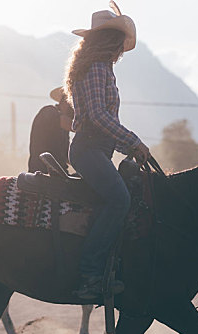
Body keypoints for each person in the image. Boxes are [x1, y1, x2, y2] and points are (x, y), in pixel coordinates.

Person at [64, 4, 150, 299]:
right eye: (118, 43)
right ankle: (90, 274)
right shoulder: (97, 68)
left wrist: (129, 146)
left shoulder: (96, 67)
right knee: (119, 199)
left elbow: (104, 120)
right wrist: (134, 142)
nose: (121, 50)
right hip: (89, 149)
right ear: (110, 41)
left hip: (96, 149)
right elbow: (99, 117)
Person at [28, 87, 74, 173]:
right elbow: (70, 124)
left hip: (58, 174)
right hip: (42, 173)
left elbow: (67, 155)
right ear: (66, 101)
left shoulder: (64, 128)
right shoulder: (49, 112)